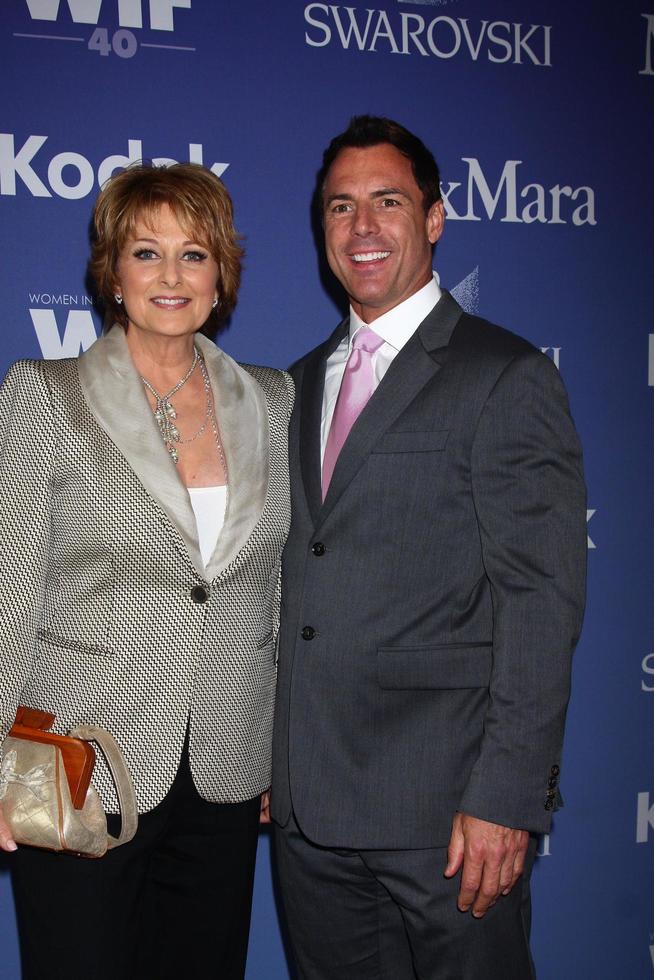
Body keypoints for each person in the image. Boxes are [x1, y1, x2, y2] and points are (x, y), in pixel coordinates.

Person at [271, 116, 587, 979]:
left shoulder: (505, 376)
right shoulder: (293, 386)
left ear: (436, 219)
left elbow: (539, 600)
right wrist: (277, 758)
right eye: (341, 207)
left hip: (447, 817)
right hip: (308, 818)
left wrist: (506, 799)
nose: (362, 227)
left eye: (387, 202)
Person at [0, 161, 293, 979]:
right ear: (112, 272)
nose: (172, 276)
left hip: (227, 767)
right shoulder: (43, 395)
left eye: (194, 254)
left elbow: (280, 591)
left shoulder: (276, 403)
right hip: (77, 760)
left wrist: (284, 750)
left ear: (221, 274)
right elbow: (8, 590)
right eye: (146, 253)